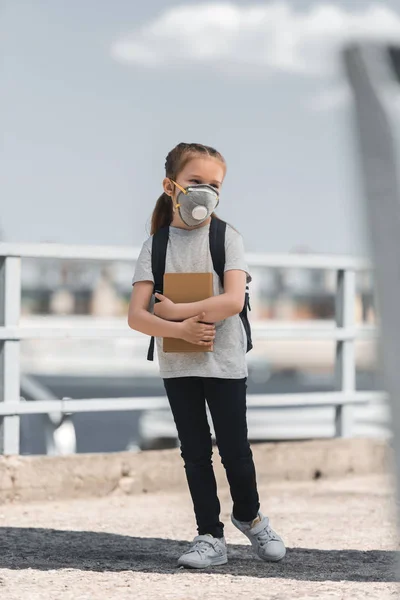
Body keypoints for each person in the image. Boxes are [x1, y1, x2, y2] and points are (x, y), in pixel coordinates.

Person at [128, 142, 286, 569]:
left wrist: (177, 311)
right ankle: (209, 537)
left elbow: (233, 301)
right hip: (178, 367)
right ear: (171, 185)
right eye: (195, 182)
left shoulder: (226, 238)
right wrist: (178, 330)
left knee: (235, 448)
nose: (205, 192)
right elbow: (137, 317)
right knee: (194, 452)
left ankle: (250, 517)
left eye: (214, 185)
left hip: (225, 363)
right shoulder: (156, 247)